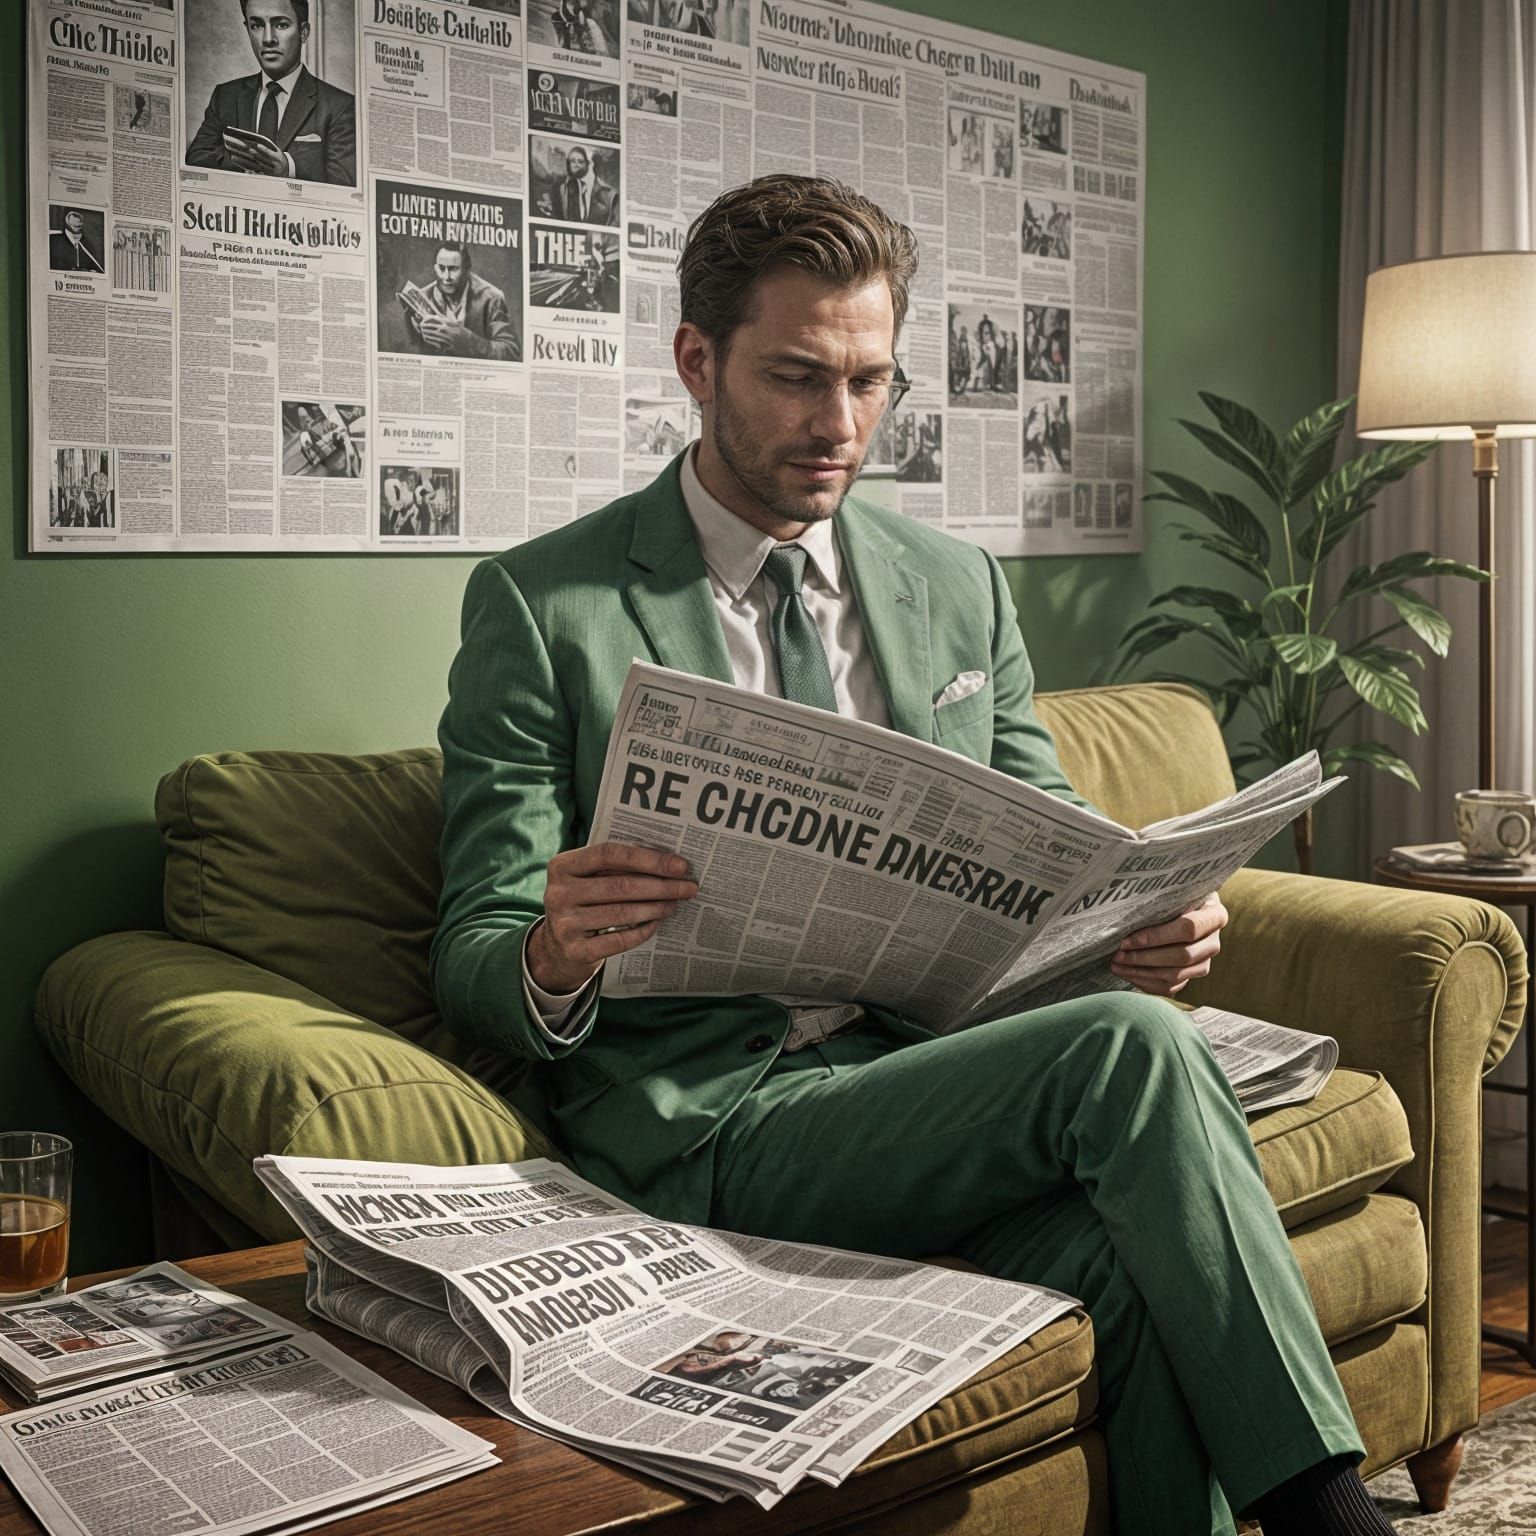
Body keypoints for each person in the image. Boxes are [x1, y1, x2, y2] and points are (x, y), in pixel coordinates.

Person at [433, 175, 1390, 1536]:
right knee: (1131, 1050)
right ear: (696, 362)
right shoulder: (544, 604)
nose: (840, 426)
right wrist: (549, 948)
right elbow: (472, 949)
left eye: (872, 381)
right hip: (720, 1122)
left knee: (1130, 1268)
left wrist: (1143, 925)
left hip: (924, 1081)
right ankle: (1334, 1520)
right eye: (797, 378)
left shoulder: (958, 585)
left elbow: (1064, 852)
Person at [185, 0, 357, 186]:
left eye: (281, 25)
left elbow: (343, 183)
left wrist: (288, 168)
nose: (267, 38)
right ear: (247, 29)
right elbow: (196, 159)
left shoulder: (341, 106)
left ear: (304, 32)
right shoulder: (225, 96)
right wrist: (251, 165)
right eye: (256, 25)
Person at [401, 243, 520, 362]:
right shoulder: (424, 295)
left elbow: (511, 351)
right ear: (436, 268)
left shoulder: (493, 298)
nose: (446, 277)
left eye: (453, 269)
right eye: (441, 268)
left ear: (466, 270)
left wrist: (467, 341)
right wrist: (417, 333)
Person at [542, 144, 619, 225]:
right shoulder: (560, 187)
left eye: (580, 161)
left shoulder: (608, 193)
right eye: (573, 161)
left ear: (589, 164)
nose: (576, 165)